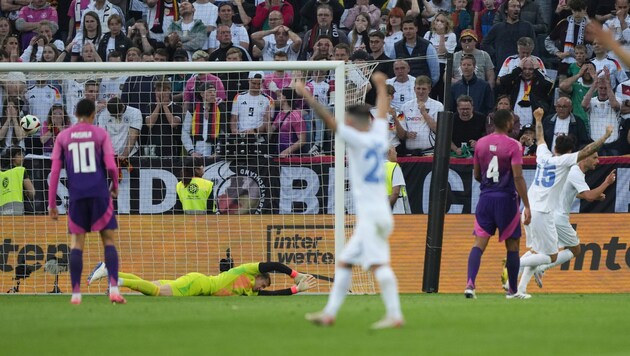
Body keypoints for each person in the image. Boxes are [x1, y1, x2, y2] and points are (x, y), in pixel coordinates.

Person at [298, 72, 404, 329]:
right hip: (378, 212)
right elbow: (380, 111)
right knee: (345, 261)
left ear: (354, 123)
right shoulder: (379, 134)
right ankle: (329, 313)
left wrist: (307, 95)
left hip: (371, 213)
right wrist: (380, 86)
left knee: (379, 264)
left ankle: (395, 314)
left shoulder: (356, 139)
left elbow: (330, 121)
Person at [516, 108, 613, 298]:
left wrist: (538, 119)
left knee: (537, 251)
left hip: (529, 209)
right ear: (569, 152)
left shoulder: (543, 156)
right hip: (548, 214)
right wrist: (606, 136)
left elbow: (540, 138)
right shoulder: (568, 164)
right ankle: (514, 264)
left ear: (555, 148)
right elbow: (587, 151)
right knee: (558, 254)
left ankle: (521, 290)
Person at [48, 98, 126, 305]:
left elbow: (55, 171)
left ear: (75, 114)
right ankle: (114, 290)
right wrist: (115, 187)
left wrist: (52, 204)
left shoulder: (64, 136)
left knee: (77, 245)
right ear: (93, 115)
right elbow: (111, 165)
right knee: (108, 241)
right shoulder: (100, 134)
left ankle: (75, 293)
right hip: (100, 194)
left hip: (77, 196)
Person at [465, 108, 531, 299]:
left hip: (485, 198)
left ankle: (470, 284)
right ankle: (512, 290)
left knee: (479, 243)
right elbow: (518, 177)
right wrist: (526, 205)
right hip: (506, 200)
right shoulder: (514, 145)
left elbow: (477, 174)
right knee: (513, 245)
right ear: (509, 123)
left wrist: (489, 186)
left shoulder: (481, 144)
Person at [523, 154, 616, 291]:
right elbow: (589, 196)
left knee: (538, 251)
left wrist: (593, 196)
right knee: (575, 250)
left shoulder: (570, 170)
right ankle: (537, 267)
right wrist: (606, 183)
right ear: (585, 158)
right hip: (559, 219)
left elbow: (575, 192)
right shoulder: (576, 172)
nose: (598, 161)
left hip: (548, 214)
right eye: (595, 158)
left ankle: (515, 283)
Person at [86, 261, 317, 296]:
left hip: (197, 282)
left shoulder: (251, 291)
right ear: (257, 276)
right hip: (198, 284)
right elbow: (273, 265)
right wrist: (294, 275)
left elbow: (272, 295)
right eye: (262, 282)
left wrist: (296, 289)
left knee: (153, 285)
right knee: (158, 293)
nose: (262, 287)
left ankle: (109, 270)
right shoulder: (245, 271)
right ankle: (119, 283)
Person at [398, 76, 444, 156]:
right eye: (418, 88)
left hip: (430, 152)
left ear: (429, 89)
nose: (421, 92)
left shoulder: (438, 106)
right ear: (414, 89)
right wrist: (407, 134)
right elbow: (400, 133)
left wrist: (424, 113)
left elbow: (438, 129)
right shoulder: (404, 107)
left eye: (424, 89)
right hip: (410, 153)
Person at [0, 146, 35, 215]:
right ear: (12, 157)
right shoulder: (20, 170)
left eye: (23, 154)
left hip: (3, 208)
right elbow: (32, 192)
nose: (22, 157)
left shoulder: (1, 173)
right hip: (20, 207)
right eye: (19, 154)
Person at [384, 146, 410, 214]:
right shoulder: (394, 166)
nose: (396, 153)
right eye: (394, 151)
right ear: (389, 152)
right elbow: (395, 193)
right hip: (397, 210)